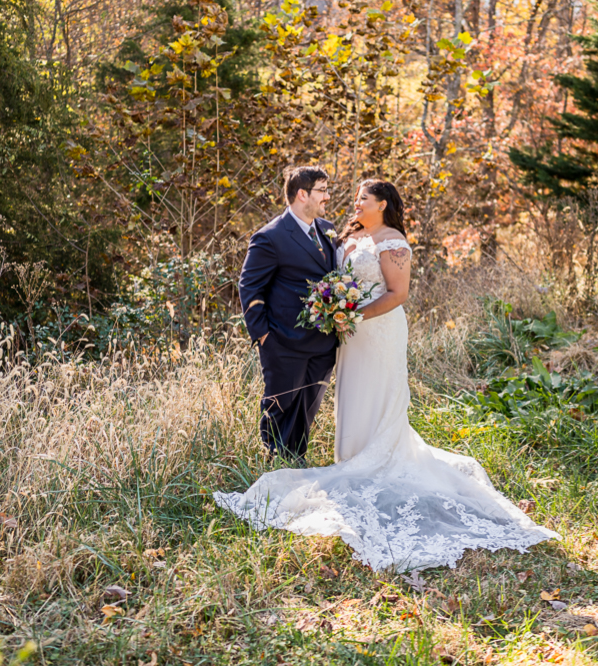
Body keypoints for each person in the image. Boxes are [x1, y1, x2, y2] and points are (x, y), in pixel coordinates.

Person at [216, 179, 559, 572]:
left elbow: (397, 293)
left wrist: (353, 314)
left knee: (378, 394)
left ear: (382, 203)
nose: (354, 202)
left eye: (363, 197)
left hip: (377, 330)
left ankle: (376, 458)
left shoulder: (393, 240)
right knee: (352, 393)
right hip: (349, 334)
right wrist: (337, 313)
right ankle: (350, 455)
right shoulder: (344, 234)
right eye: (355, 196)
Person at [238, 166, 338, 463]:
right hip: (283, 342)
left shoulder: (327, 230)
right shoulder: (270, 236)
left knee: (307, 408)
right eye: (322, 190)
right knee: (279, 407)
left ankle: (296, 460)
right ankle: (271, 466)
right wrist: (264, 336)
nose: (327, 197)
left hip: (322, 344)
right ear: (302, 194)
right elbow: (249, 288)